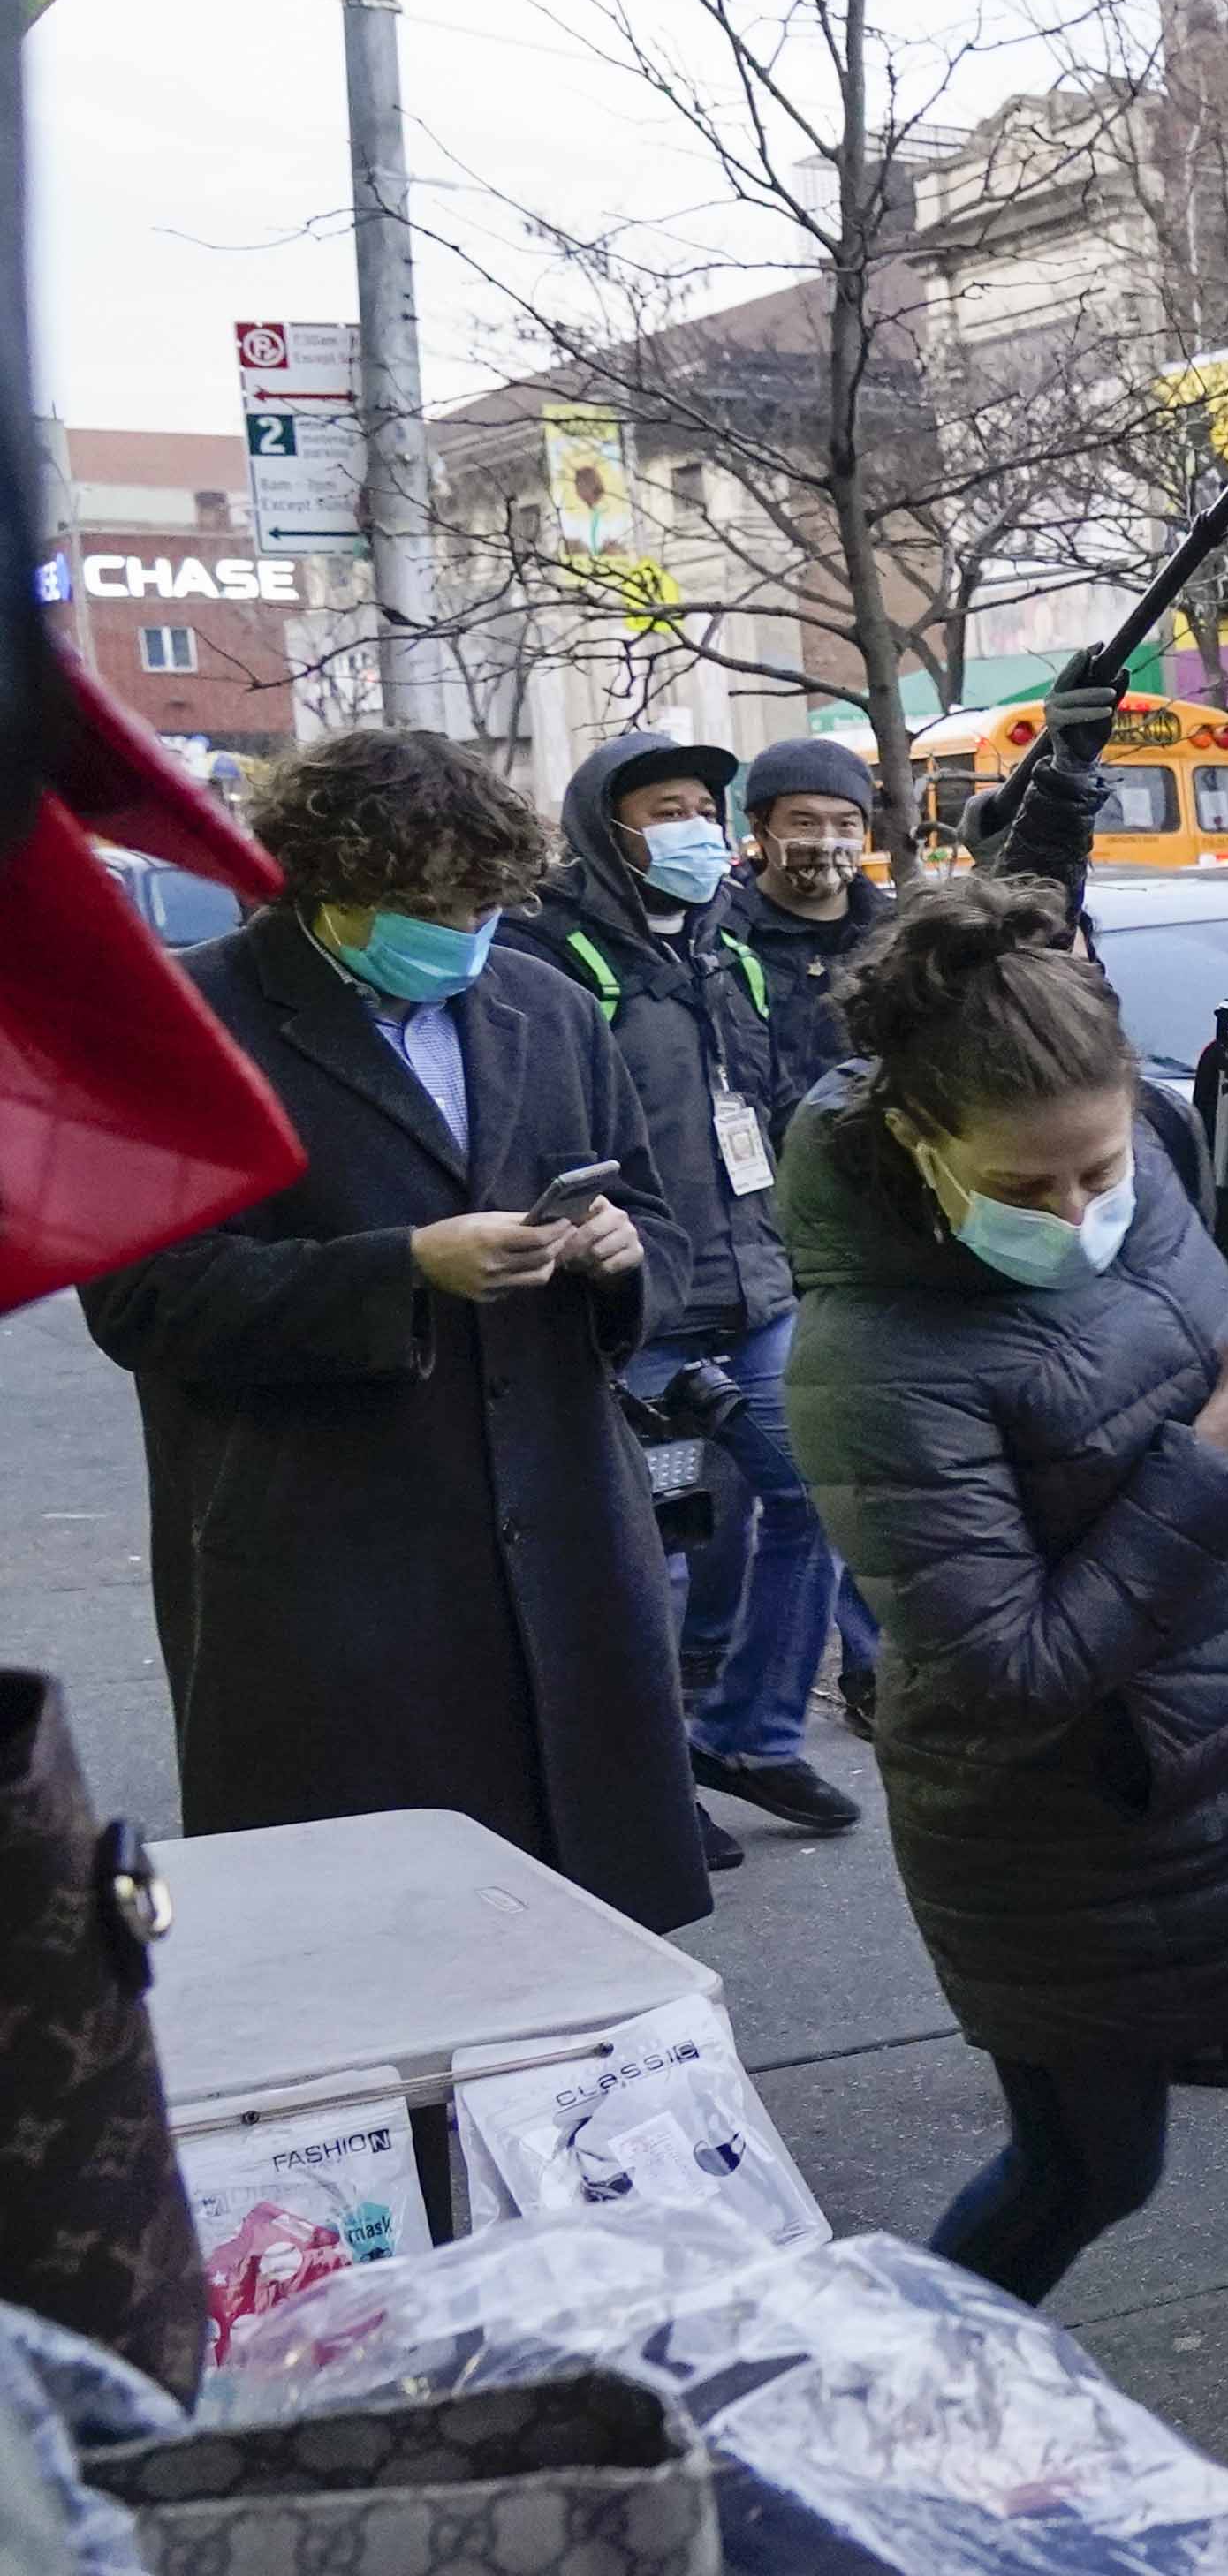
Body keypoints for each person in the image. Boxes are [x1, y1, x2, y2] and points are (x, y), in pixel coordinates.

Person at [777, 876, 1228, 2576]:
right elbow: (1001, 1662)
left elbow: (1195, 1357)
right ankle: (881, 2411)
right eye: (1026, 1185)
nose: (1080, 1207)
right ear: (915, 1141)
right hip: (1072, 1829)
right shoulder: (868, 1355)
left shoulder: (1134, 1170)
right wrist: (1223, 1444)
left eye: (1103, 1169)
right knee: (1089, 2167)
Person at [78, 725, 708, 1931]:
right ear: (320, 884)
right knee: (366, 1931)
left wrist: (621, 1259)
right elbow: (143, 1296)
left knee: (580, 1928)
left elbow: (665, 1227)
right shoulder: (184, 1021)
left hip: (562, 1531)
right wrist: (404, 1268)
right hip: (331, 1553)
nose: (464, 930)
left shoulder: (544, 1004)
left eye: (484, 900)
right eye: (428, 904)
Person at [503, 729, 851, 1860]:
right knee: (648, 1554)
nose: (695, 829)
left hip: (755, 1292)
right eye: (664, 810)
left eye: (705, 806)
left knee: (817, 1502)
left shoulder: (725, 946)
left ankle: (749, 1732)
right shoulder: (546, 956)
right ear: (608, 826)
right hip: (639, 1316)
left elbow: (757, 1109)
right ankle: (652, 1782)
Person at [704, 732, 891, 1746]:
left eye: (844, 822)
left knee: (859, 1456)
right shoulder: (714, 941)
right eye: (803, 821)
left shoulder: (895, 935)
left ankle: (873, 1668)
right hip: (754, 1241)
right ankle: (722, 1663)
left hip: (875, 1231)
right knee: (768, 1475)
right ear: (761, 831)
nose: (824, 842)